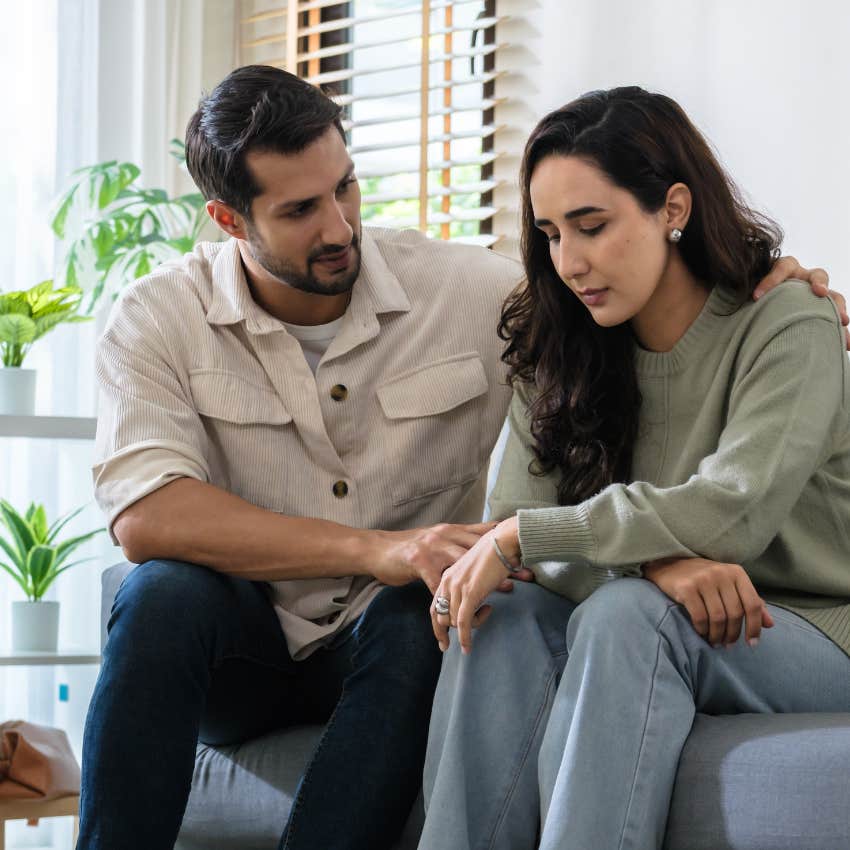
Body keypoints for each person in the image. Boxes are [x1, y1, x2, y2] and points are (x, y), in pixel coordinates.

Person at [77, 65, 838, 850]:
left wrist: (797, 297)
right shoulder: (159, 315)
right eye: (300, 210)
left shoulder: (486, 294)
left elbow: (633, 505)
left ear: (672, 207)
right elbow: (146, 516)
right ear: (229, 221)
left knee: (479, 604)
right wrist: (387, 549)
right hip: (247, 644)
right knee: (163, 595)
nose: (338, 227)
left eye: (345, 188)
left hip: (416, 631)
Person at [420, 87, 850, 850]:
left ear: (672, 208)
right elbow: (517, 531)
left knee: (628, 617)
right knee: (501, 616)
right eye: (551, 234)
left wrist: (558, 547)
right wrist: (653, 564)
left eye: (592, 226)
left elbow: (733, 510)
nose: (570, 261)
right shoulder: (562, 342)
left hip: (813, 625)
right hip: (661, 601)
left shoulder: (788, 322)